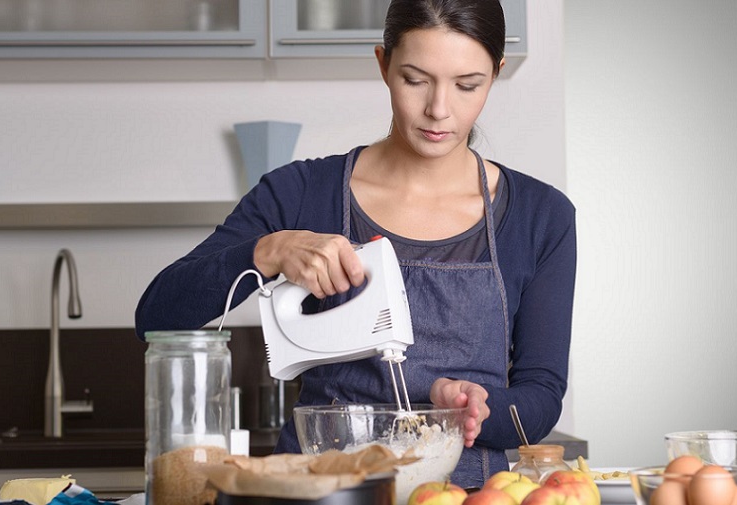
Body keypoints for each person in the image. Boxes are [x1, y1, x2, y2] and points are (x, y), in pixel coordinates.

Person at [135, 0, 576, 488]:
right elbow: (155, 315)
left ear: (496, 73)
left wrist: (479, 408)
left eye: (467, 85)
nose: (439, 109)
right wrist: (266, 251)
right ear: (383, 65)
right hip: (317, 491)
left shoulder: (541, 216)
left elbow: (541, 394)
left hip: (466, 494)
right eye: (415, 79)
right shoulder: (300, 193)